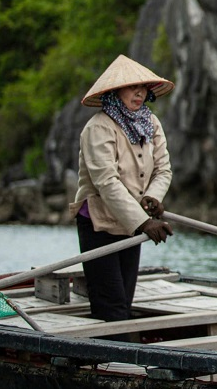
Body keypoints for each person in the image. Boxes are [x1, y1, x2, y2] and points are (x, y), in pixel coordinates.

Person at [69, 54, 175, 322]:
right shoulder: (98, 127)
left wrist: (152, 197)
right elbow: (106, 182)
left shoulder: (151, 123)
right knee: (111, 304)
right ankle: (111, 347)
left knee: (125, 299)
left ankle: (120, 342)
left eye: (143, 88)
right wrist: (144, 222)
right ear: (115, 92)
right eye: (131, 87)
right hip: (99, 222)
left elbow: (163, 169)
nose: (139, 93)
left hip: (131, 223)